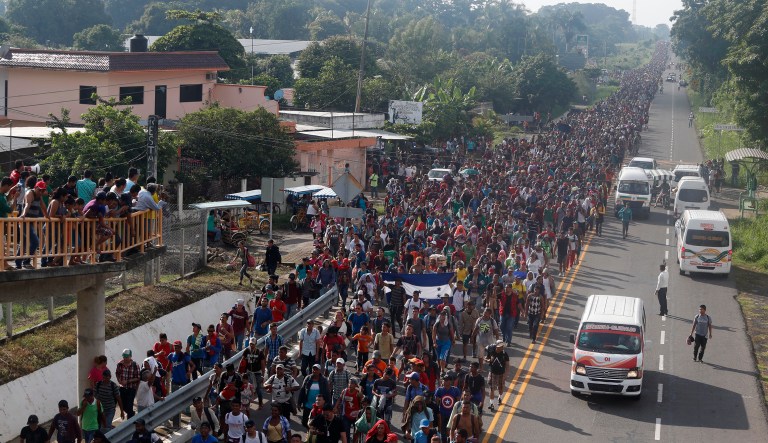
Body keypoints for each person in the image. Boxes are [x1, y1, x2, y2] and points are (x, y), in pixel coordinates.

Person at [298, 364, 332, 428]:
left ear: (319, 371)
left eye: (316, 369)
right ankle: (310, 433)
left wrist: (328, 406)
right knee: (305, 422)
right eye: (313, 369)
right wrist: (299, 402)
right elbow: (302, 390)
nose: (314, 371)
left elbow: (327, 394)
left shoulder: (324, 380)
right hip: (308, 405)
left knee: (318, 424)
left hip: (319, 407)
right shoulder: (307, 378)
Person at [115, 349, 140, 419]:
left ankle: (130, 422)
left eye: (127, 357)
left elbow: (138, 378)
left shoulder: (135, 365)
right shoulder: (120, 364)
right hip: (122, 388)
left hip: (131, 388)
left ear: (130, 356)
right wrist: (119, 380)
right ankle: (131, 413)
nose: (125, 358)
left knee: (129, 405)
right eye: (124, 357)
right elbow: (117, 373)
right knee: (122, 404)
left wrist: (127, 381)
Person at [485, 340, 509, 411]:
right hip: (492, 373)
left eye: (502, 346)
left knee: (500, 388)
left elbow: (507, 365)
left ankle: (500, 397)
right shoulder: (491, 351)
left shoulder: (504, 354)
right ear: (497, 346)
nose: (502, 347)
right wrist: (488, 360)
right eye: (500, 346)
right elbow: (486, 358)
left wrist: (505, 375)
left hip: (501, 373)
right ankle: (491, 404)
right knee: (492, 388)